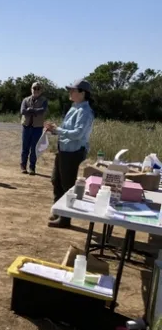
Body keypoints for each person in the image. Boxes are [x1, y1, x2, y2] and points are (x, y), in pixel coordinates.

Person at [45, 79, 95, 229]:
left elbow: (78, 134)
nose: (70, 92)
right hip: (64, 150)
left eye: (73, 90)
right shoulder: (75, 108)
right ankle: (58, 210)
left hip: (73, 152)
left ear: (83, 93)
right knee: (56, 180)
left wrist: (58, 130)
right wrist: (55, 130)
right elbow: (68, 130)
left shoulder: (85, 112)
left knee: (67, 185)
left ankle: (65, 218)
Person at [20, 82, 48, 175]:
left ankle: (32, 168)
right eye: (34, 88)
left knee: (34, 148)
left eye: (38, 88)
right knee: (25, 147)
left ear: (41, 90)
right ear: (31, 89)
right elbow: (22, 111)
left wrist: (31, 110)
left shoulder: (44, 100)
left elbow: (42, 110)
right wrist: (34, 111)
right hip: (26, 126)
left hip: (37, 128)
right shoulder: (25, 100)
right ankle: (23, 166)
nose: (36, 90)